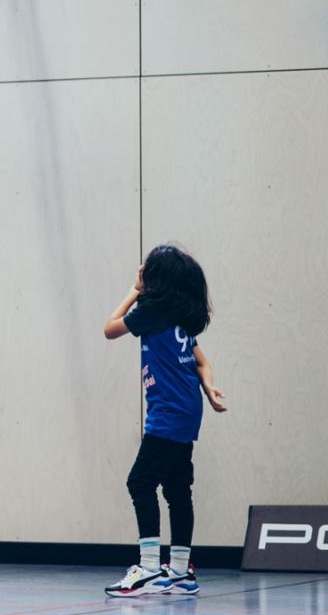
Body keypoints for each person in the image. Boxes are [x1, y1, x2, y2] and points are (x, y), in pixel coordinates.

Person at [103, 245, 226, 598]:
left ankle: (150, 566)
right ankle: (182, 571)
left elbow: (110, 329)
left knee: (139, 482)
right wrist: (209, 386)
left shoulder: (151, 312)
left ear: (155, 280)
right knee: (176, 489)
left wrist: (134, 291)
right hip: (186, 412)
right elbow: (203, 362)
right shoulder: (177, 320)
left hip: (169, 414)